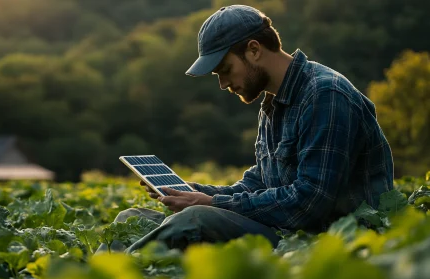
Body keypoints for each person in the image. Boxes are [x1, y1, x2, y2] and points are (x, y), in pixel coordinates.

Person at [96, 4, 394, 254]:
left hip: (326, 242)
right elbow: (258, 184)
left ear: (253, 50)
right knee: (131, 218)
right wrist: (193, 192)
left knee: (195, 220)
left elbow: (309, 203)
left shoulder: (326, 95)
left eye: (224, 70)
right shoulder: (272, 104)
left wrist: (211, 204)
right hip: (284, 230)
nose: (223, 84)